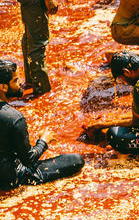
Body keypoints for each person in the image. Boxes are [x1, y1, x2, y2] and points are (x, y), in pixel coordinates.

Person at [1, 59, 84, 189]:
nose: (19, 85)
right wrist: (43, 141)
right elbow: (28, 160)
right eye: (15, 81)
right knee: (76, 160)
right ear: (3, 87)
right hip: (11, 177)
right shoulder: (14, 118)